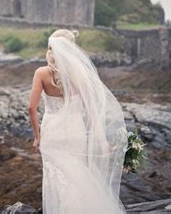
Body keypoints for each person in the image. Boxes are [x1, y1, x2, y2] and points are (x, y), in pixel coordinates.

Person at [28, 29, 128, 214]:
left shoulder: (41, 73)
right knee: (78, 174)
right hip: (76, 132)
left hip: (52, 133)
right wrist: (102, 141)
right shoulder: (80, 73)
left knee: (58, 180)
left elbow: (31, 108)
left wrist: (37, 136)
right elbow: (91, 111)